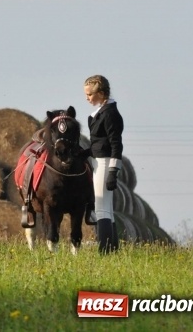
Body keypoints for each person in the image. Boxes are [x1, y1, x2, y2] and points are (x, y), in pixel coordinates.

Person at [84, 74, 124, 254]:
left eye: (90, 95)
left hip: (106, 162)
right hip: (99, 161)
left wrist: (113, 171)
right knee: (107, 208)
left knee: (101, 208)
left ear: (101, 93)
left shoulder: (110, 114)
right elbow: (98, 143)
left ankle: (105, 251)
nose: (87, 98)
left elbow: (116, 144)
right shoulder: (102, 112)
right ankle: (112, 249)